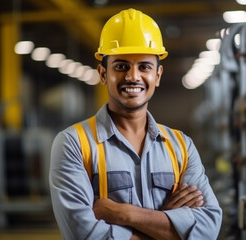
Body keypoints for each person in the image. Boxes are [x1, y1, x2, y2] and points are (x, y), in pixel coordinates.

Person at [49, 8, 222, 240]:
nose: (133, 76)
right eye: (121, 66)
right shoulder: (74, 144)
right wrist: (169, 227)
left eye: (144, 66)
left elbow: (208, 228)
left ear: (157, 75)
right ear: (102, 73)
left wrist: (123, 214)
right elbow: (84, 234)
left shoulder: (181, 146)